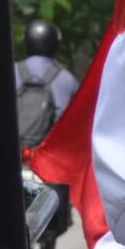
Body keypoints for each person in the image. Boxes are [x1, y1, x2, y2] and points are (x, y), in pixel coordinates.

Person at [14, 19, 78, 150]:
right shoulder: (68, 80)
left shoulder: (9, 71)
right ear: (55, 45)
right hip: (45, 155)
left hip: (8, 151)